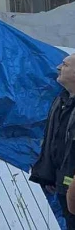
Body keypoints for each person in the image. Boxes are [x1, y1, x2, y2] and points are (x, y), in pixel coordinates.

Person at [31, 53, 75, 229]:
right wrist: (48, 175)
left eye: (65, 65)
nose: (58, 67)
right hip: (62, 183)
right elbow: (53, 142)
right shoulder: (62, 101)